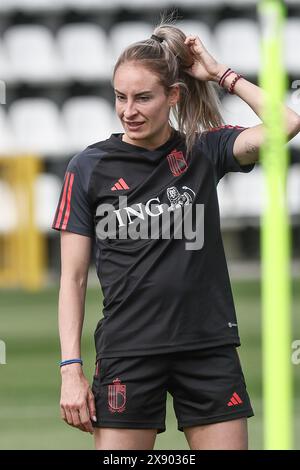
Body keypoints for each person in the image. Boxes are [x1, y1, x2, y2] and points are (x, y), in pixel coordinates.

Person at [52, 21, 300, 451]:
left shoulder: (202, 151)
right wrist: (70, 368)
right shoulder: (87, 168)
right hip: (128, 350)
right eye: (120, 97)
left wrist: (222, 73)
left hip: (207, 346)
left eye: (143, 97)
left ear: (174, 95)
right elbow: (72, 280)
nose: (129, 110)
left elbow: (287, 123)